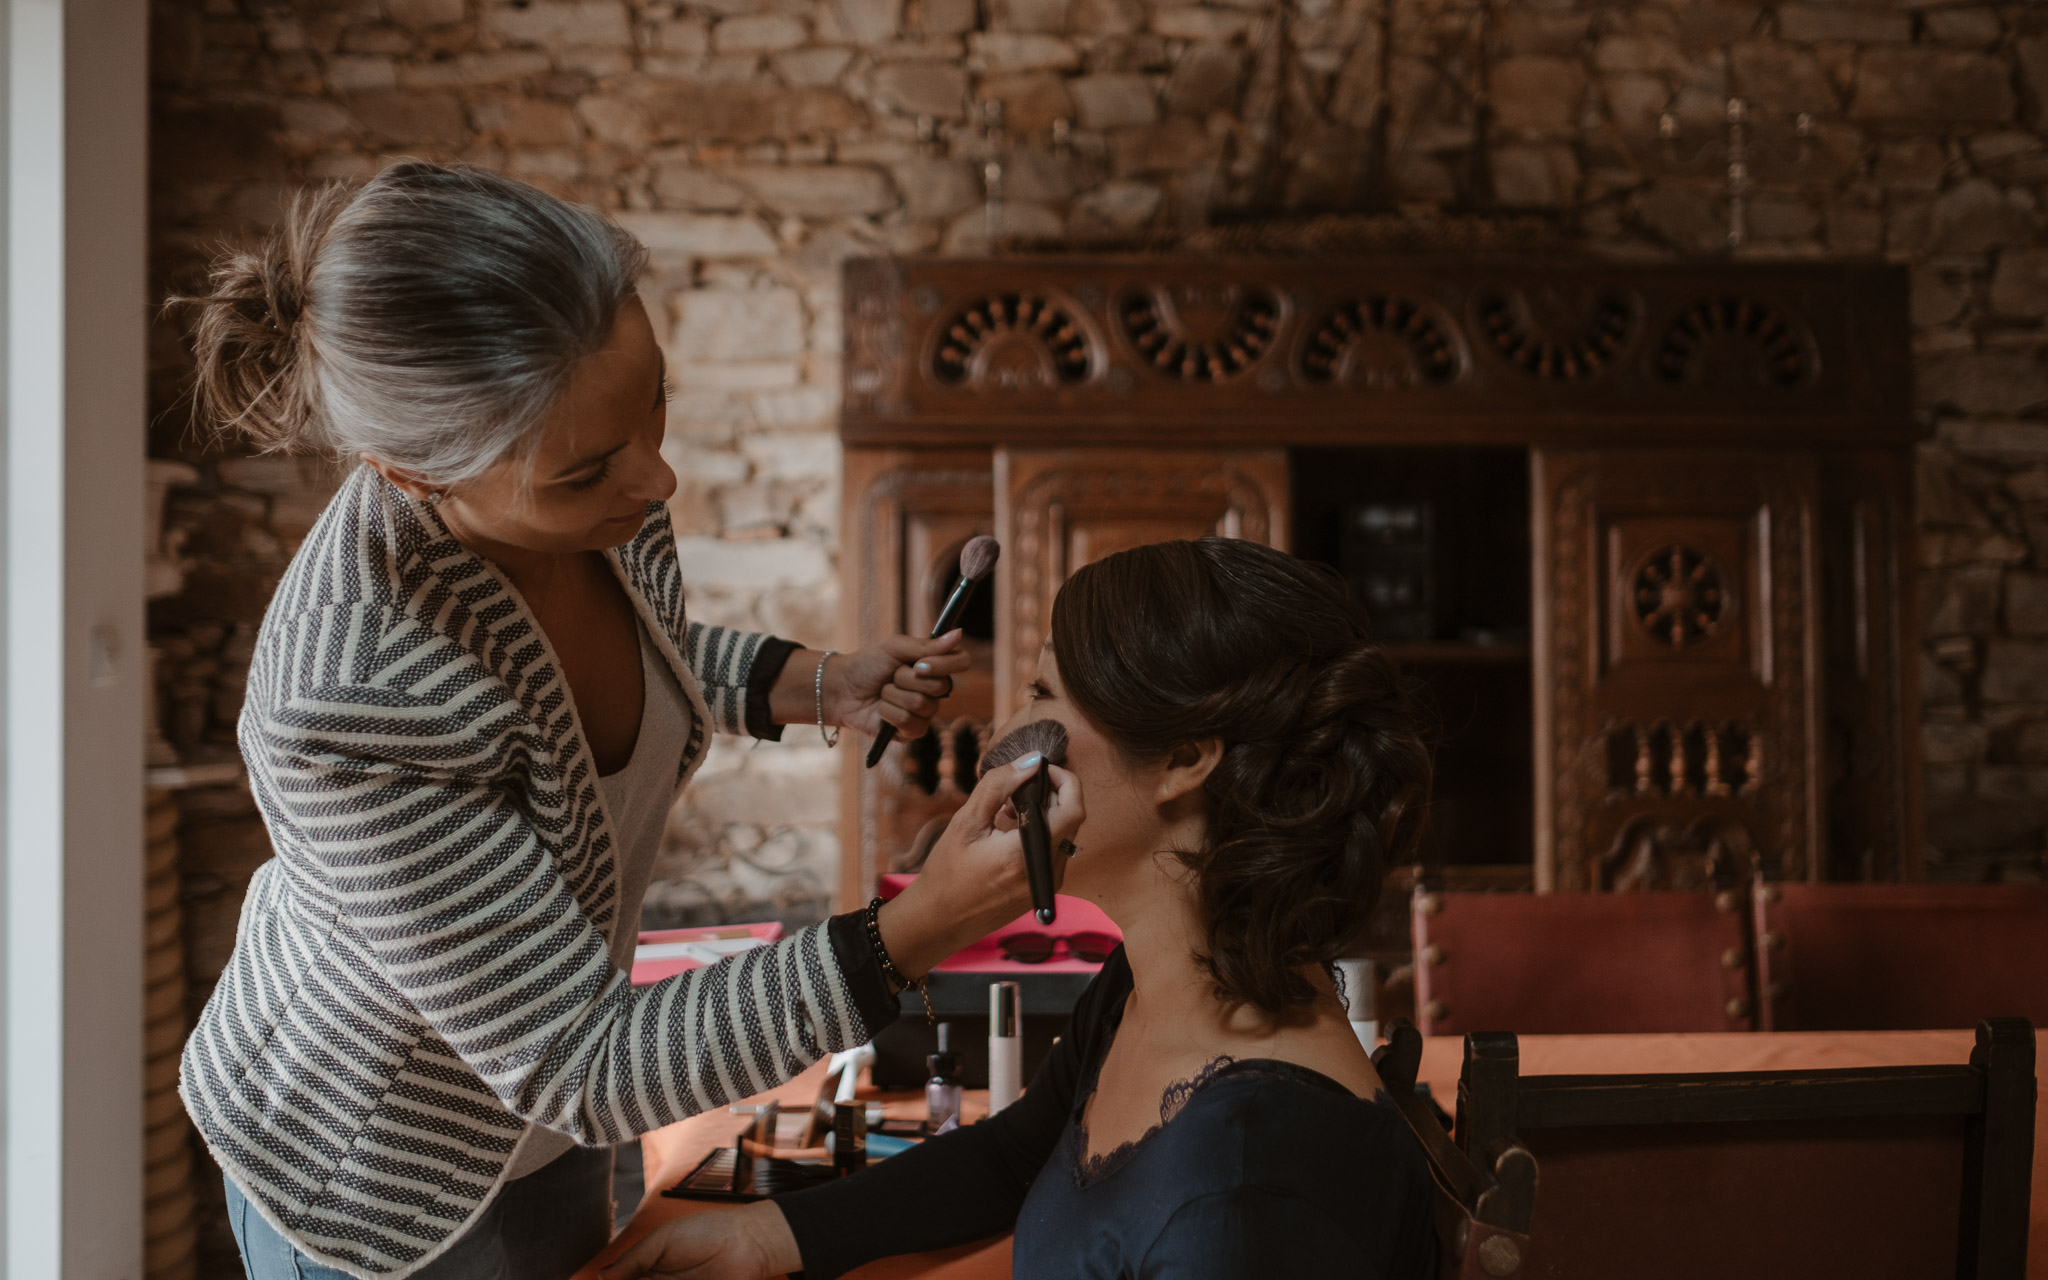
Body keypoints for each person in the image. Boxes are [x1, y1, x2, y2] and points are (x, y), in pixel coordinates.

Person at [173, 161, 1081, 1280]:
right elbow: (584, 1057)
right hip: (392, 1159)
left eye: (653, 396)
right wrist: (917, 927)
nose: (658, 478)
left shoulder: (593, 491)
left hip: (561, 1113)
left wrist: (816, 680)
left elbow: (605, 663)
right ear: (413, 472)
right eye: (592, 466)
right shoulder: (351, 695)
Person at [603, 537, 1438, 1280]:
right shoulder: (1153, 983)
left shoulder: (1249, 1196)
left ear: (1182, 760)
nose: (1007, 729)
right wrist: (775, 1235)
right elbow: (1015, 1155)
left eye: (1041, 693)